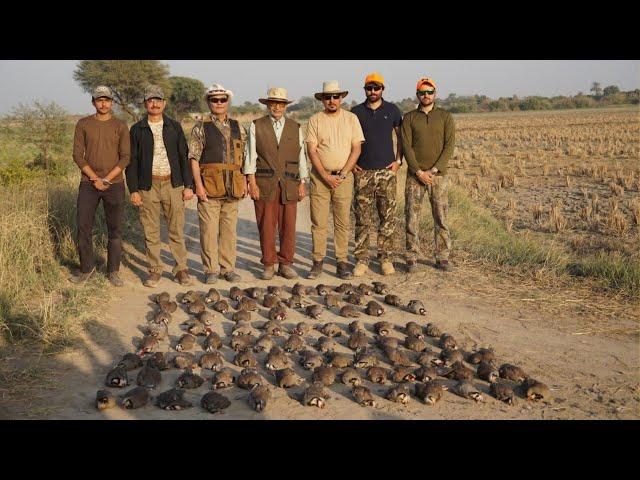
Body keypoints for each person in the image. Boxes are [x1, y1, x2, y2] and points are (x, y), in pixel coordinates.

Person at [127, 85, 194, 287]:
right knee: (151, 230)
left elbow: (184, 156)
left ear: (164, 104)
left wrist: (188, 185)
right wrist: (134, 190)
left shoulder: (174, 127)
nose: (154, 103)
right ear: (145, 104)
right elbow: (132, 161)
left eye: (158, 100)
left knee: (176, 230)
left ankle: (181, 269)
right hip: (148, 186)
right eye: (150, 100)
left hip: (173, 184)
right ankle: (155, 270)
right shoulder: (137, 129)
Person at [244, 87, 309, 280]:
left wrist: (302, 181)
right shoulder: (256, 125)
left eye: (280, 103)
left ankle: (286, 264)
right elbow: (250, 155)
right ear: (268, 105)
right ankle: (269, 264)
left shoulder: (295, 127)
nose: (277, 107)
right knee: (266, 224)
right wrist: (251, 182)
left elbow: (301, 157)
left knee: (288, 225)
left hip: (290, 183)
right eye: (273, 103)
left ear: (285, 106)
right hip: (264, 183)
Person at [70, 85, 130, 287]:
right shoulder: (83, 124)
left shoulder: (120, 125)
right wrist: (95, 178)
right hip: (88, 183)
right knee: (83, 227)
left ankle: (113, 271)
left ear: (111, 102)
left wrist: (107, 179)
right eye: (99, 99)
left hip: (115, 184)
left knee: (115, 229)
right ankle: (86, 269)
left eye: (106, 99)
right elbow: (77, 155)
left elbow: (125, 157)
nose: (103, 103)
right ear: (93, 102)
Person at [305, 81, 365, 280]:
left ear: (341, 98)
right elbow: (311, 150)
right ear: (322, 100)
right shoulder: (315, 119)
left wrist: (342, 174)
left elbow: (356, 148)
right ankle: (318, 262)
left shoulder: (351, 119)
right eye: (327, 97)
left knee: (342, 222)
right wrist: (324, 175)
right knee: (319, 222)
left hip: (343, 177)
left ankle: (341, 261)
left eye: (335, 96)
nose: (332, 100)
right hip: (320, 177)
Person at [189, 83, 246, 284]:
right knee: (208, 231)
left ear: (228, 101)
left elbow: (244, 157)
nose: (219, 103)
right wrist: (198, 185)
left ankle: (228, 269)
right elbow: (194, 159)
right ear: (208, 102)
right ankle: (211, 270)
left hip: (233, 188)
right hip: (209, 187)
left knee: (229, 232)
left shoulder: (239, 126)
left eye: (223, 99)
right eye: (215, 100)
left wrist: (245, 181)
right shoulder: (200, 127)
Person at [350, 72, 403, 277]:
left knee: (387, 218)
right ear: (365, 90)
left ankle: (385, 259)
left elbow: (401, 137)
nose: (373, 91)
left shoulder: (392, 110)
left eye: (376, 88)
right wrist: (352, 165)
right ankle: (362, 260)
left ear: (382, 89)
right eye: (369, 88)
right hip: (362, 173)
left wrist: (398, 162)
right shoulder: (355, 112)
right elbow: (349, 140)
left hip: (386, 173)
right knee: (363, 218)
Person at [401, 77, 456, 272]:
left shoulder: (445, 116)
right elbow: (406, 146)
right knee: (411, 217)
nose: (426, 95)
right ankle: (411, 256)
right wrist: (418, 171)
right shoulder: (408, 118)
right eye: (422, 92)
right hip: (414, 176)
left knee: (441, 216)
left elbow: (449, 146)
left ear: (435, 94)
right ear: (417, 95)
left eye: (429, 92)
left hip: (438, 176)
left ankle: (442, 256)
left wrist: (433, 170)